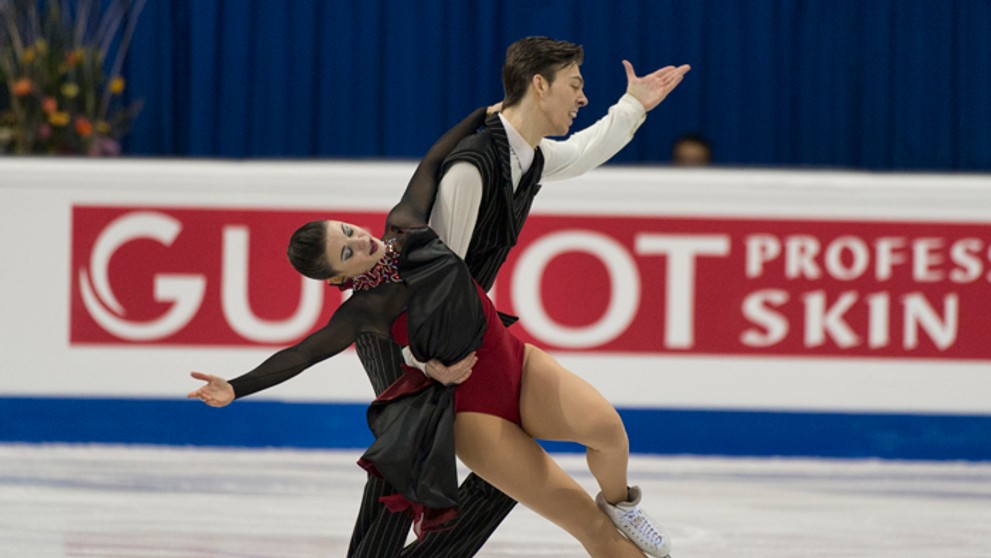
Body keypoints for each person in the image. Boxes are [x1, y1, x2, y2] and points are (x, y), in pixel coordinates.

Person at [188, 104, 671, 557]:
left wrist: (481, 116)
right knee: (587, 525)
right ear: (339, 277)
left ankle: (623, 503)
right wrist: (235, 386)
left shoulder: (405, 226)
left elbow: (433, 160)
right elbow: (301, 354)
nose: (361, 241)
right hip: (474, 415)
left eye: (349, 231)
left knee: (608, 431)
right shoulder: (366, 311)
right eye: (348, 252)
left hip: (516, 362)